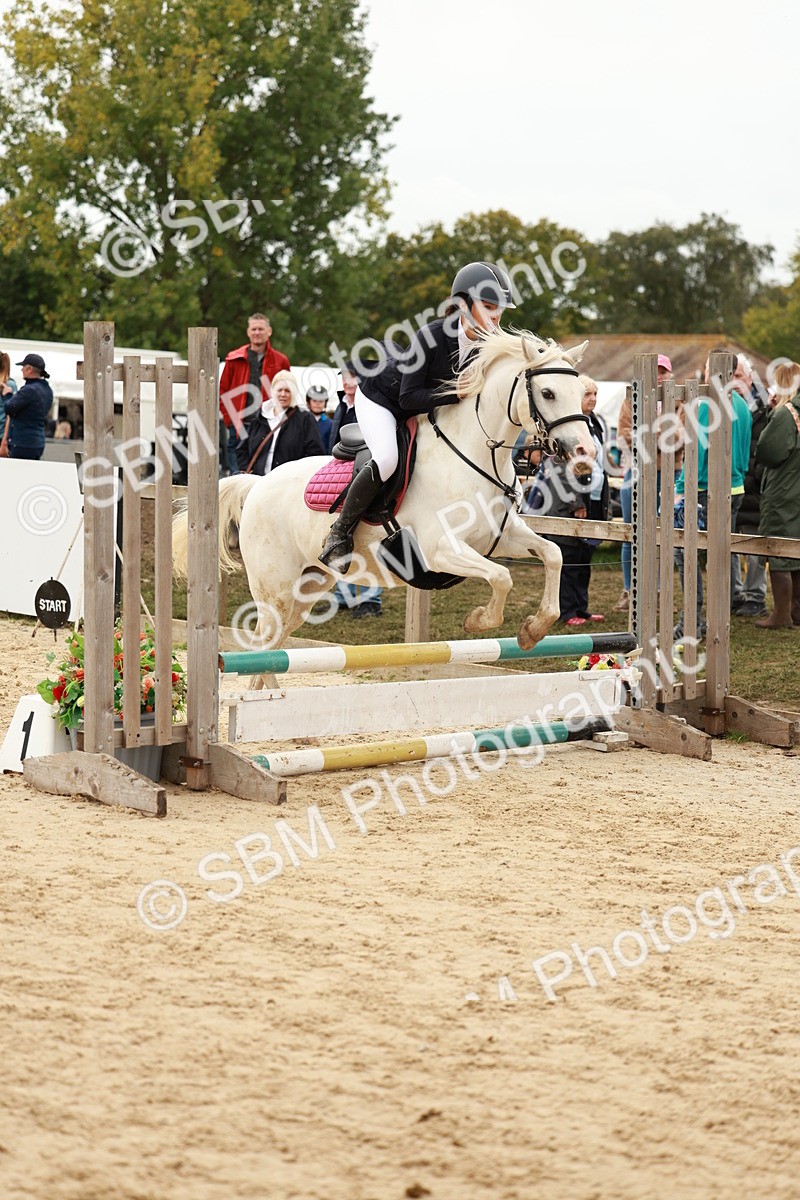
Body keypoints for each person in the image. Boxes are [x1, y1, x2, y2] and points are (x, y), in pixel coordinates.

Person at [319, 262, 516, 569]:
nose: (496, 316)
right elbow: (408, 397)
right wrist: (456, 393)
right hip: (383, 400)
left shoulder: (488, 345)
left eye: (499, 309)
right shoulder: (431, 336)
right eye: (489, 307)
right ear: (464, 305)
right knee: (387, 459)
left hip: (426, 408)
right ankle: (339, 533)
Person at [673, 350, 751, 643]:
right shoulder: (742, 403)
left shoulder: (707, 404)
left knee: (686, 553)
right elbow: (745, 452)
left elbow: (696, 452)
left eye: (707, 367)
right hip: (735, 488)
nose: (704, 372)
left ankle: (692, 622)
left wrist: (681, 488)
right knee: (720, 554)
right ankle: (719, 616)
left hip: (706, 490)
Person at [537, 375, 609, 625]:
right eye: (588, 394)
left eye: (595, 394)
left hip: (593, 498)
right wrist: (576, 503)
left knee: (584, 556)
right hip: (569, 502)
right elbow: (560, 468)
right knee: (567, 556)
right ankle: (566, 610)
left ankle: (580, 607)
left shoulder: (594, 422)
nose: (593, 399)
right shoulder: (564, 427)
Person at [614, 353, 676, 612]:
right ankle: (629, 590)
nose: (658, 376)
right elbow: (622, 436)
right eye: (655, 371)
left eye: (663, 371)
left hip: (668, 473)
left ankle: (660, 592)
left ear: (669, 374)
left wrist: (644, 435)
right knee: (631, 533)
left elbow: (680, 437)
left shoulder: (679, 400)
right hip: (635, 472)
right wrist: (658, 436)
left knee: (664, 534)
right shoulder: (631, 399)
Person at [753, 361, 800, 629]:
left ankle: (781, 614)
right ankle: (796, 611)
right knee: (796, 550)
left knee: (779, 550)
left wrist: (773, 415)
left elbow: (769, 452)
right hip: (797, 489)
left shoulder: (786, 414)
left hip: (783, 491)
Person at [219, 313, 291, 475]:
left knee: (264, 473)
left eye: (261, 329)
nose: (257, 332)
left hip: (267, 424)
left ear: (269, 331)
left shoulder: (281, 361)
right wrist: (231, 421)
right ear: (248, 332)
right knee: (237, 475)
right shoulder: (234, 359)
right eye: (254, 329)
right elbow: (222, 391)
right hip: (239, 425)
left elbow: (288, 391)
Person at [731, 353, 771, 617]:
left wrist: (757, 475)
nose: (734, 382)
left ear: (749, 378)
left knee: (755, 542)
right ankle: (734, 594)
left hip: (755, 487)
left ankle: (755, 596)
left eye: (739, 376)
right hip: (731, 485)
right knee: (728, 542)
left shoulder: (766, 407)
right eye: (731, 377)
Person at [240, 370, 324, 475]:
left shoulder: (305, 419)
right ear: (272, 391)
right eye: (279, 390)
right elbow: (241, 449)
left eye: (287, 391)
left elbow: (315, 453)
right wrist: (248, 470)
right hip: (258, 481)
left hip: (289, 482)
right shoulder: (259, 417)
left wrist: (298, 475)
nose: (283, 394)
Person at [1, 353, 53, 460]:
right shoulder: (47, 389)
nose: (21, 370)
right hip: (37, 442)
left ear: (29, 369)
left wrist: (7, 395)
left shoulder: (29, 390)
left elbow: (9, 408)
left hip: (22, 443)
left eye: (23, 367)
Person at [328, 364, 360, 448]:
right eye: (345, 378)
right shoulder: (340, 406)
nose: (348, 382)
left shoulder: (367, 408)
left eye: (352, 378)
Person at [306, 385, 333, 452]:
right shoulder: (302, 422)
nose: (318, 404)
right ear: (309, 402)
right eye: (314, 401)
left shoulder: (330, 424)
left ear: (325, 403)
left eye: (321, 401)